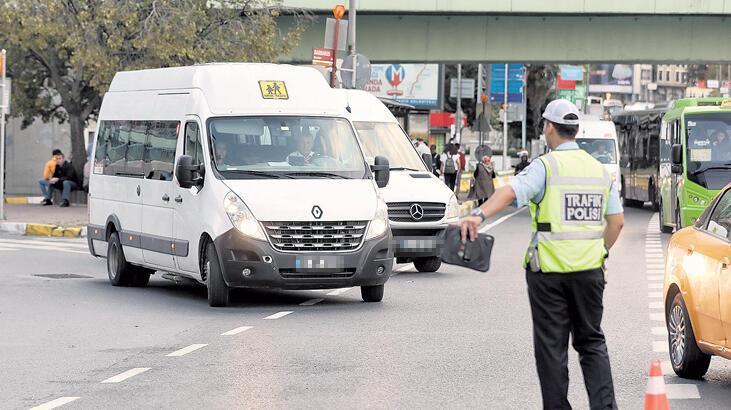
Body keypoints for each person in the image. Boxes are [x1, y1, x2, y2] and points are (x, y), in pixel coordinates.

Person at [458, 99, 624, 410]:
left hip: (548, 273)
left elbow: (510, 192)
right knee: (591, 343)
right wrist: (599, 252)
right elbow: (617, 222)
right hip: (589, 273)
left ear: (549, 127)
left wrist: (478, 216)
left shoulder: (546, 166)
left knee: (552, 348)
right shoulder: (599, 171)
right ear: (575, 130)